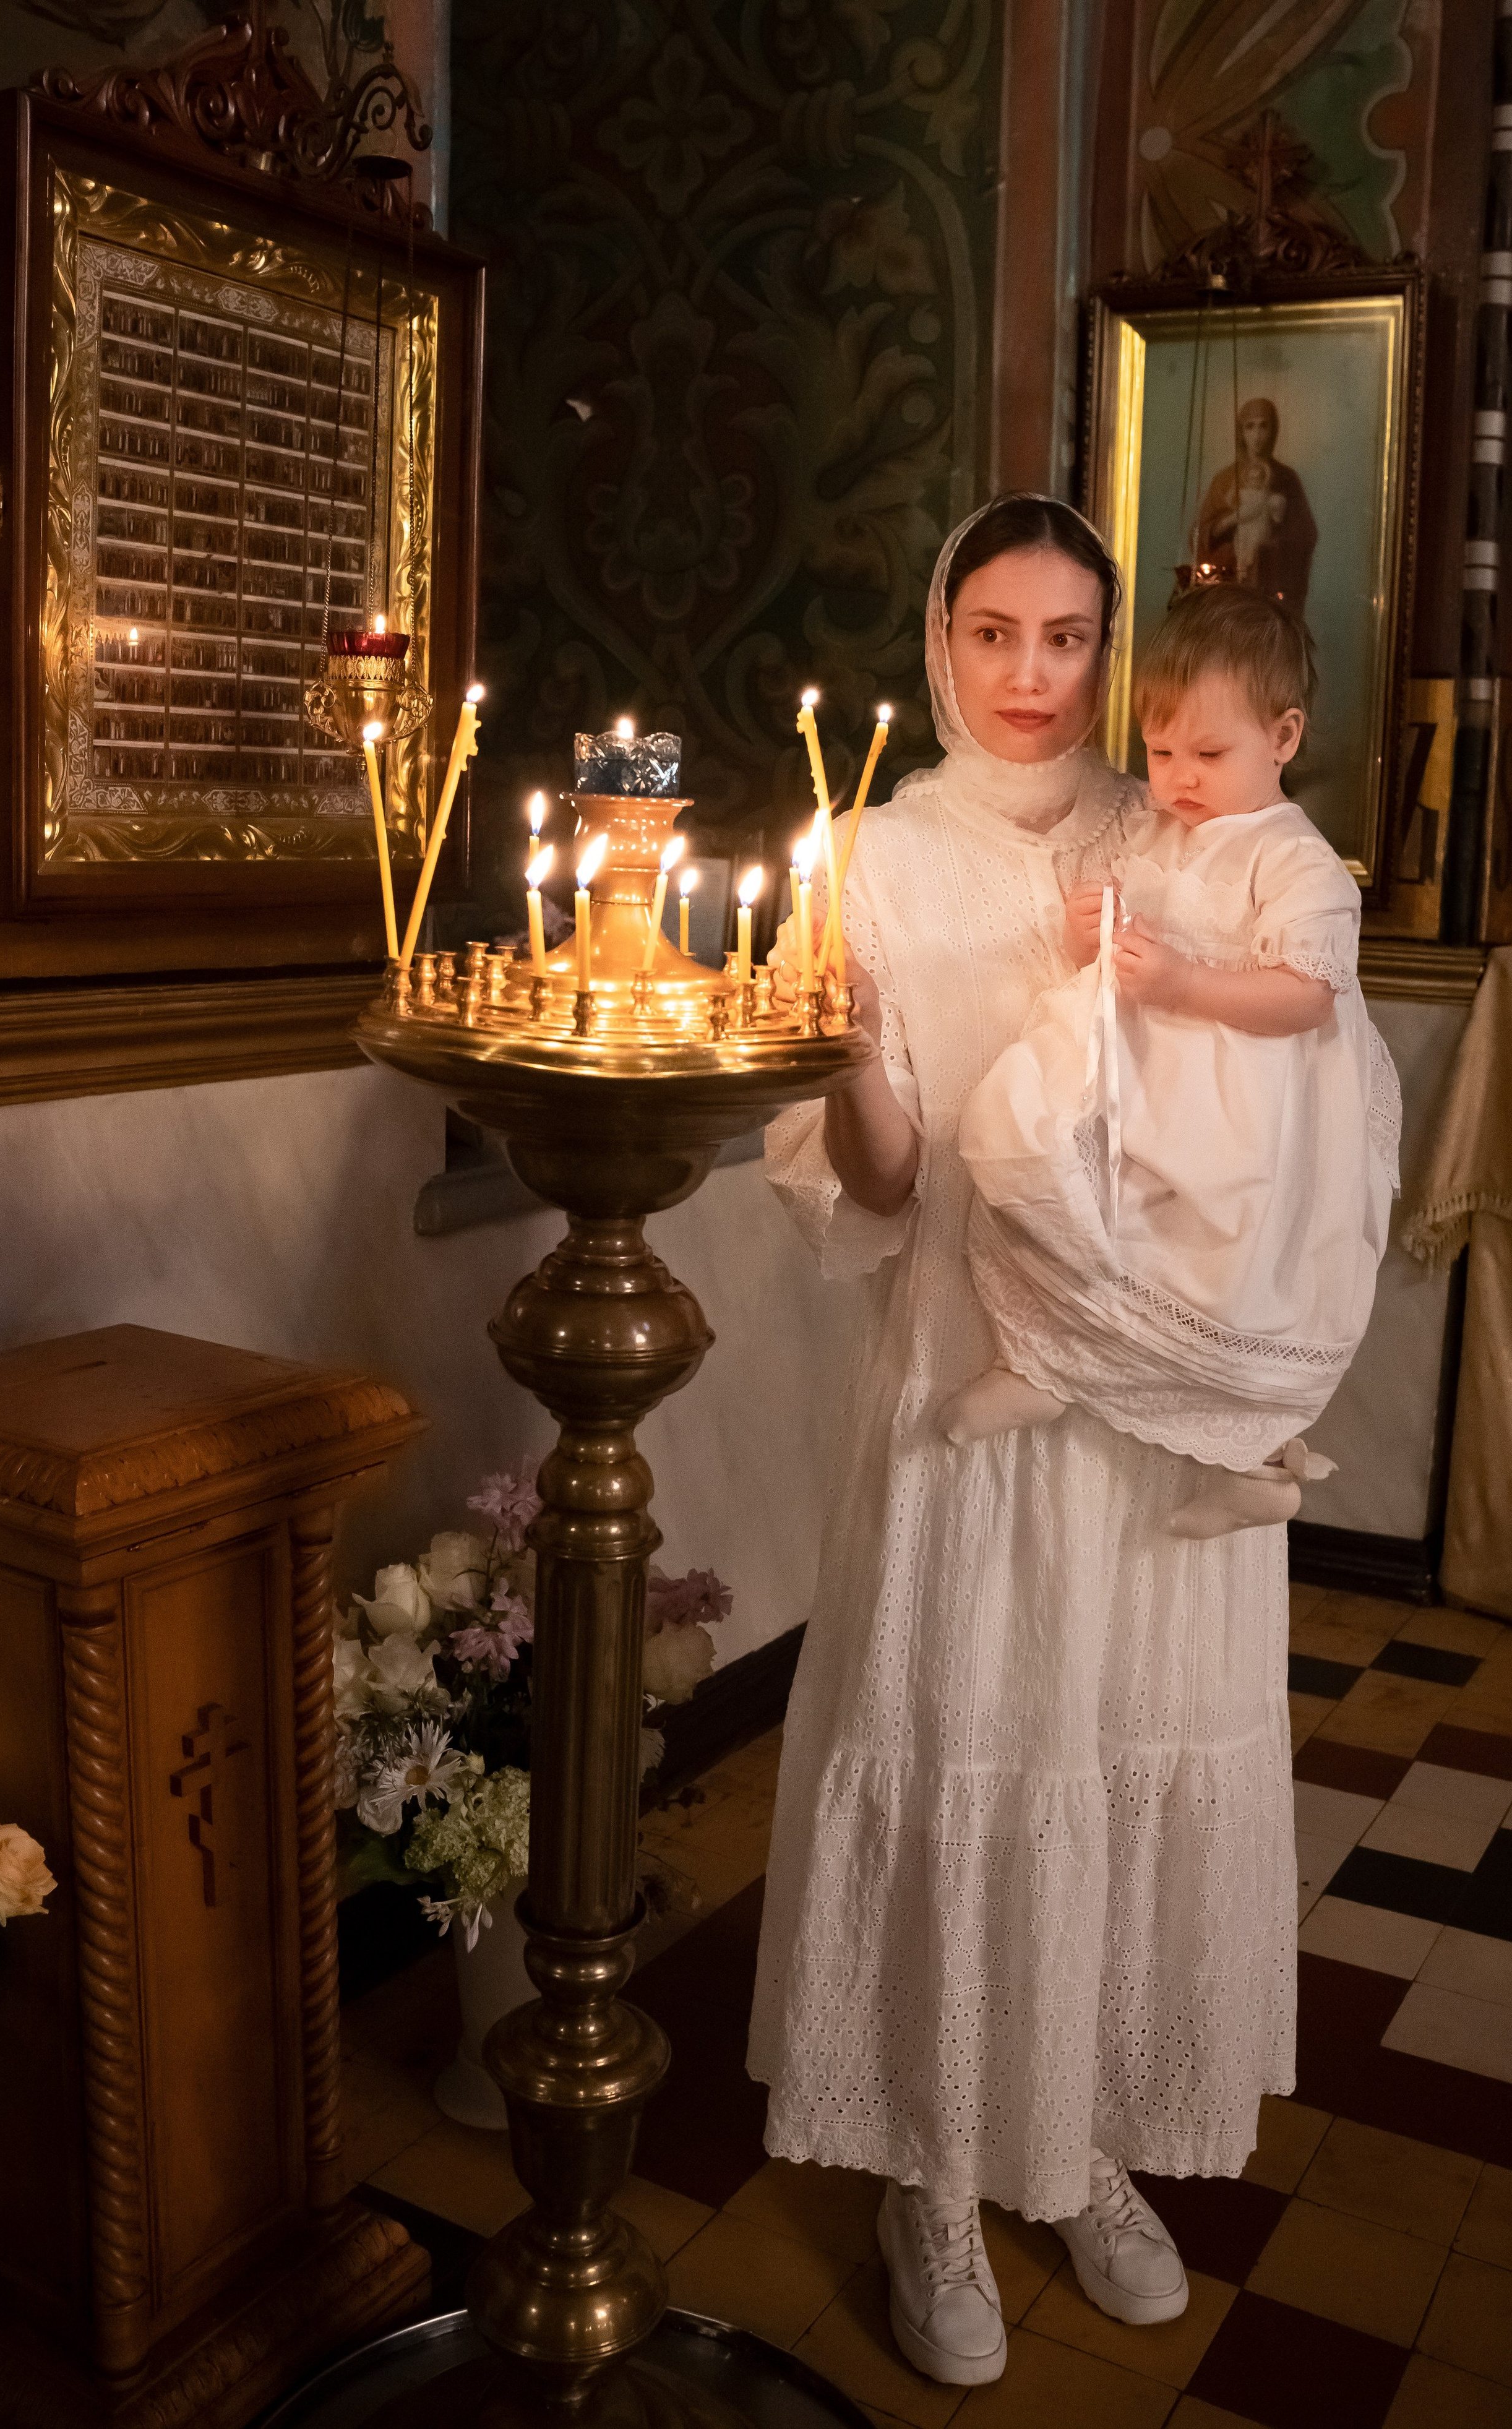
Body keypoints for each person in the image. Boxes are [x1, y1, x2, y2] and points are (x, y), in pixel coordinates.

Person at [748, 495, 1303, 2391]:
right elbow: (889, 1184)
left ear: (1109, 652)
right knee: (968, 1732)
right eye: (993, 632)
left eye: (1067, 638)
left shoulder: (1183, 829)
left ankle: (1070, 2147)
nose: (1028, 676)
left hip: (1147, 1385)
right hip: (967, 1363)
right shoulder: (874, 854)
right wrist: (839, 1043)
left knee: (1106, 1733)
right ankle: (925, 2165)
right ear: (939, 638)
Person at [940, 585, 1399, 1541]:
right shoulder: (1160, 830)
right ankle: (1046, 1362)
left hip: (1242, 1106)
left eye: (1209, 753)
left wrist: (1187, 983)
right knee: (1025, 1144)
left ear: (1284, 736)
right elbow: (1130, 942)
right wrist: (1093, 933)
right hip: (1142, 1076)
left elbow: (1310, 992)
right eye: (1160, 752)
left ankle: (1261, 1459)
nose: (1179, 777)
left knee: (1219, 1273)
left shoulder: (1295, 859)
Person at [1190, 398, 1317, 613]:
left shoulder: (1287, 480)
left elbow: (1305, 535)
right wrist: (1234, 519)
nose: (1257, 435)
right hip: (1230, 589)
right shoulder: (1225, 480)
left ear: (1273, 431)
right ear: (1241, 432)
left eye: (1263, 426)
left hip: (1272, 588)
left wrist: (1268, 546)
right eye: (1250, 427)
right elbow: (1202, 535)